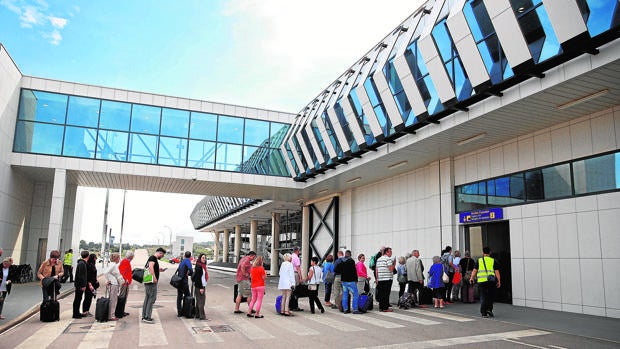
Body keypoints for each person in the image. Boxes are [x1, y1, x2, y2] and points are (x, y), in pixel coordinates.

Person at [470, 247, 501, 318]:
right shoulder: (493, 260)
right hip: (491, 281)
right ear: (490, 252)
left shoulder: (479, 260)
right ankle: (489, 309)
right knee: (490, 296)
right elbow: (497, 272)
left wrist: (472, 278)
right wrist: (499, 281)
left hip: (481, 281)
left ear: (483, 253)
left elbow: (474, 271)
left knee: (483, 296)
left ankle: (483, 313)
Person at [142, 247, 167, 323]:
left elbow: (151, 267)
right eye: (162, 255)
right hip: (151, 281)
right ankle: (147, 317)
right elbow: (150, 267)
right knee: (152, 298)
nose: (162, 257)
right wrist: (154, 277)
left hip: (148, 281)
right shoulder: (153, 258)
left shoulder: (152, 258)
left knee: (148, 298)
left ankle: (145, 316)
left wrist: (159, 270)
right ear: (160, 253)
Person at [337, 250, 360, 314]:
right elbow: (354, 271)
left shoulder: (341, 261)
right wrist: (356, 279)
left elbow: (336, 269)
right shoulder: (351, 261)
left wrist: (342, 272)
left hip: (344, 281)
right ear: (350, 255)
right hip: (351, 281)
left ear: (345, 254)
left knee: (345, 295)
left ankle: (346, 309)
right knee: (355, 294)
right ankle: (355, 309)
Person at [375, 247, 395, 312]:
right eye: (390, 252)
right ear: (387, 252)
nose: (391, 253)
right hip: (387, 279)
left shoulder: (378, 259)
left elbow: (376, 270)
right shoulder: (388, 259)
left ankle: (381, 307)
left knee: (381, 294)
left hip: (380, 279)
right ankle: (386, 308)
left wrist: (377, 278)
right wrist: (394, 263)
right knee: (386, 294)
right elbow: (391, 269)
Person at [104, 253, 123, 321]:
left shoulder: (112, 264)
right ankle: (111, 316)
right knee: (113, 300)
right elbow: (106, 272)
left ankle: (111, 315)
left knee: (113, 299)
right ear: (116, 258)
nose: (119, 259)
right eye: (118, 258)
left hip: (113, 283)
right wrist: (108, 280)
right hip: (114, 284)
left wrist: (108, 280)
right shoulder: (113, 265)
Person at [72, 250, 89, 319]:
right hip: (80, 285)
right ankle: (75, 314)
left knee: (78, 299)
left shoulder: (81, 263)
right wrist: (83, 285)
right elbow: (82, 276)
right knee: (78, 299)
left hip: (79, 284)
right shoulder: (82, 264)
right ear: (88, 256)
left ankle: (77, 312)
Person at [176, 251, 193, 317]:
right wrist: (189, 274)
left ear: (185, 255)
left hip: (179, 281)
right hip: (184, 282)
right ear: (190, 256)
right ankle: (187, 311)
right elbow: (190, 269)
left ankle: (179, 313)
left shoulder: (182, 261)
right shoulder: (187, 261)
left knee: (179, 297)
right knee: (187, 296)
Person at [192, 253, 209, 320]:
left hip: (201, 285)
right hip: (200, 286)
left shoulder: (202, 266)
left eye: (205, 258)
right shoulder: (199, 266)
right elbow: (198, 278)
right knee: (202, 301)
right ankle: (202, 316)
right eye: (202, 258)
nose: (204, 259)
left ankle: (197, 314)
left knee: (199, 301)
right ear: (199, 258)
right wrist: (201, 288)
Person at [117, 250, 134, 317]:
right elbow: (122, 271)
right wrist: (125, 279)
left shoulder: (126, 261)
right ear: (131, 256)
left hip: (126, 282)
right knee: (122, 297)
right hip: (124, 283)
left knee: (124, 297)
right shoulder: (125, 261)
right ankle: (120, 312)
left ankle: (122, 311)